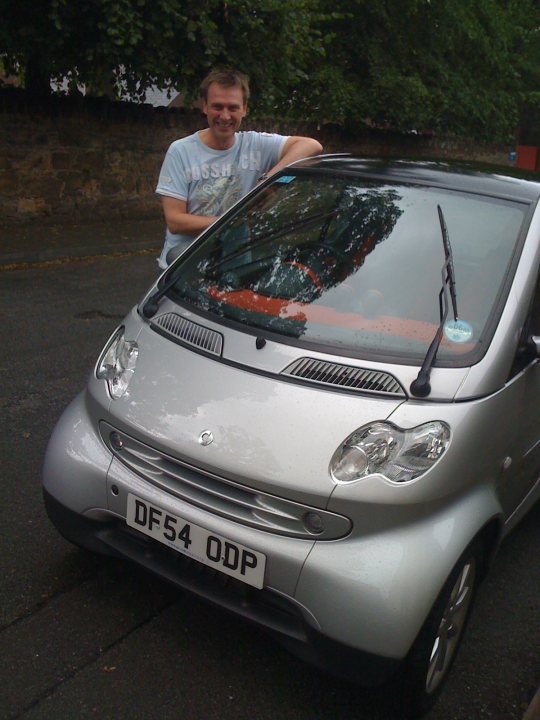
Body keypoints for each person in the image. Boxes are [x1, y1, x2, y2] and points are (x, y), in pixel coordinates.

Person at [155, 69, 323, 268]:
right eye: (217, 106)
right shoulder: (181, 151)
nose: (225, 116)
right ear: (205, 107)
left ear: (244, 108)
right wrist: (231, 222)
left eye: (233, 108)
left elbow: (311, 145)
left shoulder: (255, 144)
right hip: (184, 267)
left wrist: (268, 181)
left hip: (236, 264)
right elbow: (175, 222)